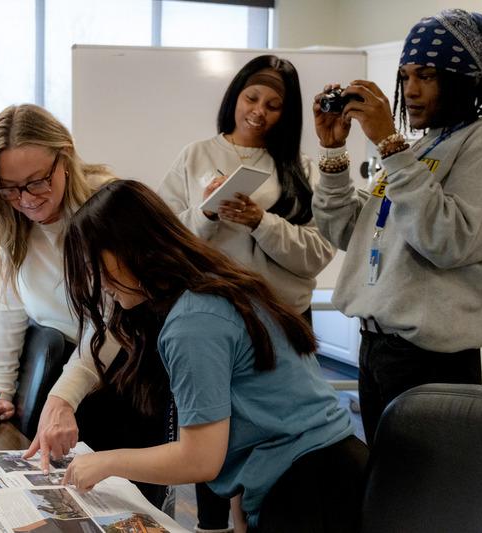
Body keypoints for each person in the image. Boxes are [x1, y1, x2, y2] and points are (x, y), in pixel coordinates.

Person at [60, 180, 368, 533]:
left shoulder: (193, 321)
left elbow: (199, 459)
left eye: (96, 264)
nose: (97, 282)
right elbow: (248, 420)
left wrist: (105, 463)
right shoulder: (213, 288)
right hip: (318, 472)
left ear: (130, 247)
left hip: (310, 487)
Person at [312, 9, 482, 444]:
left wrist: (391, 145)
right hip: (379, 349)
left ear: (465, 79)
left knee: (428, 493)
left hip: (432, 359)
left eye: (426, 76)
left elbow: (446, 240)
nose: (410, 91)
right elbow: (352, 236)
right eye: (405, 76)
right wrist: (333, 155)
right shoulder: (423, 146)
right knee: (390, 485)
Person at [158, 54, 335, 532]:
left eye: (275, 104)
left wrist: (260, 221)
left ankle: (267, 520)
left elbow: (317, 254)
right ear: (235, 96)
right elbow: (165, 247)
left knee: (277, 437)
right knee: (210, 434)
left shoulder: (302, 168)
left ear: (288, 113)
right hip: (213, 330)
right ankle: (211, 524)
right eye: (251, 97)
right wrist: (209, 213)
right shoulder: (195, 156)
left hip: (283, 323)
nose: (258, 110)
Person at [0, 104, 170, 507]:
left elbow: (111, 320)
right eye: (8, 187)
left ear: (66, 158)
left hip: (123, 369)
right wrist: (0, 388)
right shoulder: (5, 218)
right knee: (56, 497)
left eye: (37, 182)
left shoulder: (105, 205)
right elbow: (4, 304)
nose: (25, 200)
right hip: (56, 364)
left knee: (122, 503)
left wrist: (65, 398)